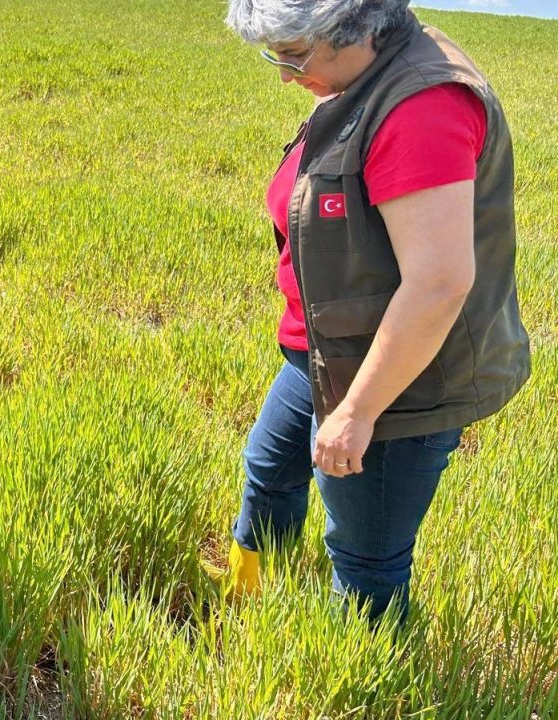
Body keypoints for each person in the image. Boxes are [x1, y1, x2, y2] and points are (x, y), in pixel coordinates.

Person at [217, 0, 530, 623]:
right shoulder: (362, 72)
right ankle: (252, 596)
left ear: (355, 27)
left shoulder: (422, 107)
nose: (284, 74)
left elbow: (438, 283)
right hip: (325, 350)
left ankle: (358, 663)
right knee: (269, 471)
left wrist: (357, 414)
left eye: (294, 54)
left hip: (397, 378)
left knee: (365, 557)